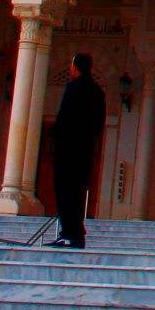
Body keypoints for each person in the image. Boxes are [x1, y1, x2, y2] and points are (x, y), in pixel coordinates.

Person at [49, 53, 105, 250]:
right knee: (79, 191)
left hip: (68, 150)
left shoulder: (73, 88)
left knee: (66, 191)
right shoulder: (97, 91)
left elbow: (64, 118)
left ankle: (68, 232)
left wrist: (57, 141)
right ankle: (77, 233)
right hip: (85, 150)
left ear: (75, 68)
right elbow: (99, 123)